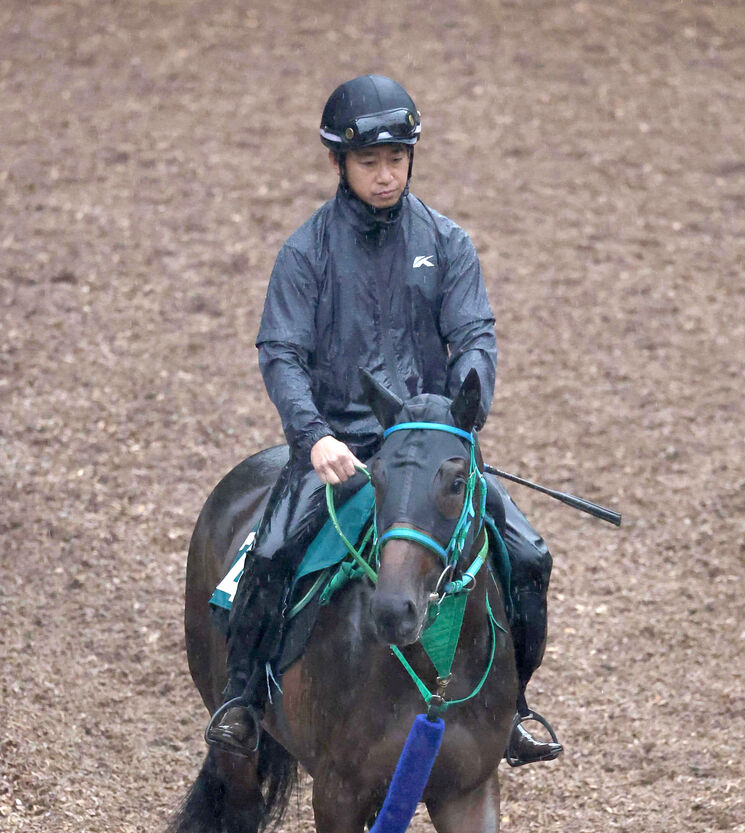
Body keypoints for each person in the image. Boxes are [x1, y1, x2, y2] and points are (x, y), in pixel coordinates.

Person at [206, 74, 561, 767]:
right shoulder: (305, 252)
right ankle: (244, 703)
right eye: (370, 162)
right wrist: (315, 440)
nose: (385, 174)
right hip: (343, 446)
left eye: (397, 160)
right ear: (338, 163)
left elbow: (477, 338)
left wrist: (460, 413)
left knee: (528, 556)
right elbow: (281, 354)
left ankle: (511, 709)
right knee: (272, 554)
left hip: (430, 448)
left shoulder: (449, 244)